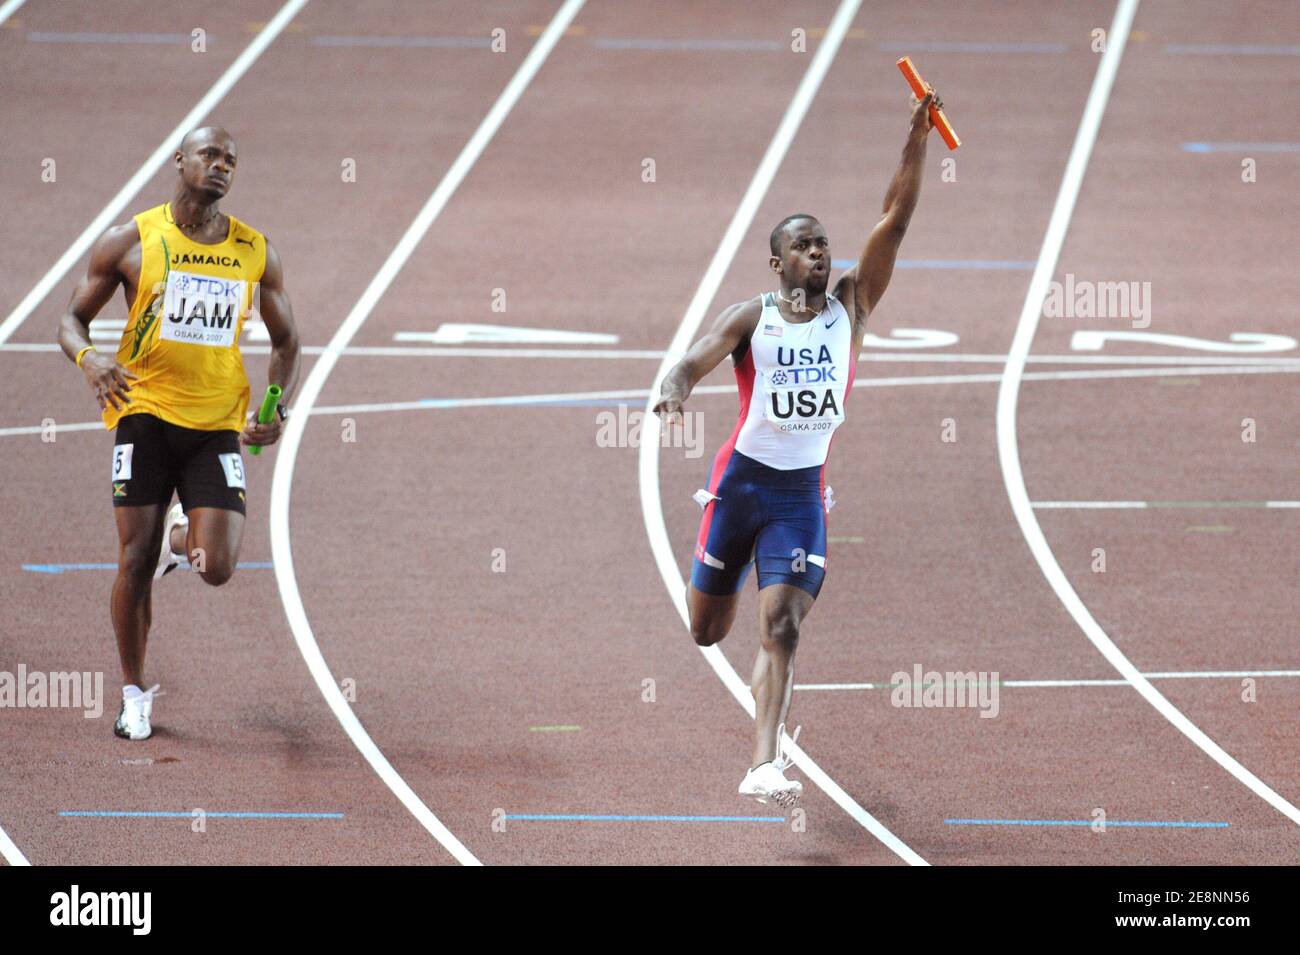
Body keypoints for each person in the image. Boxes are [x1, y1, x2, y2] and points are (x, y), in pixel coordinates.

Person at [653, 92, 942, 807]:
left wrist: (918, 137)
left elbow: (895, 220)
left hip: (797, 497)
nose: (820, 251)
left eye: (823, 243)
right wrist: (674, 390)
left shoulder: (852, 308)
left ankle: (762, 761)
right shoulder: (755, 316)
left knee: (780, 624)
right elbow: (690, 359)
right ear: (778, 262)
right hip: (741, 487)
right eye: (803, 245)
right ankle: (739, 572)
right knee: (705, 630)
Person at [57, 127, 301, 740]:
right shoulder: (132, 240)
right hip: (143, 418)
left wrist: (274, 405)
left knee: (215, 566)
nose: (220, 167)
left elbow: (286, 340)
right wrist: (91, 361)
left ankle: (181, 538)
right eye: (210, 155)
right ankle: (135, 694)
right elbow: (71, 321)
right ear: (180, 160)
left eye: (231, 161)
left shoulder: (254, 250)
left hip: (216, 425)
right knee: (133, 560)